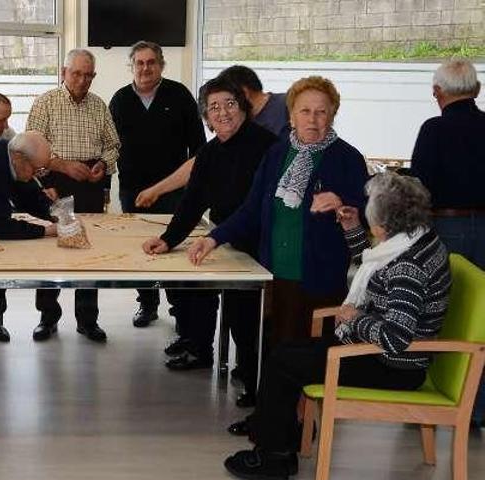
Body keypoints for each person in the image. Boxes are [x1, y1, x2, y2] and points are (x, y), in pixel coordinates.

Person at [222, 172, 450, 480]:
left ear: (385, 222)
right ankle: (281, 444)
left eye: (371, 210)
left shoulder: (407, 267)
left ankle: (273, 459)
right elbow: (372, 267)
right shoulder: (414, 240)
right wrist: (353, 228)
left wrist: (355, 318)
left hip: (392, 366)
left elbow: (396, 338)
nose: (368, 213)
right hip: (381, 354)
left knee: (283, 361)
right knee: (287, 353)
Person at [188, 75, 369, 350]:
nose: (313, 119)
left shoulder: (348, 158)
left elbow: (367, 214)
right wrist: (213, 238)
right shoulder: (276, 153)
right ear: (292, 115)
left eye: (322, 112)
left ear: (332, 115)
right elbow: (251, 209)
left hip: (319, 279)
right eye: (305, 111)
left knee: (310, 356)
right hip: (273, 273)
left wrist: (342, 201)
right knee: (272, 350)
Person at [142, 76, 277, 404]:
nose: (223, 113)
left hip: (259, 244)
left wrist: (218, 237)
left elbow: (257, 206)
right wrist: (169, 238)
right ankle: (205, 351)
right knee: (209, 294)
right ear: (205, 116)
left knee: (247, 317)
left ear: (243, 106)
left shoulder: (267, 145)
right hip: (226, 239)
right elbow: (193, 199)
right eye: (213, 107)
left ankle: (253, 382)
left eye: (229, 104)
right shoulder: (211, 151)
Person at [408, 59, 485, 424]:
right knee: (478, 317)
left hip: (446, 227)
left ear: (437, 92)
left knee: (434, 312)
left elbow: (420, 187)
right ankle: (477, 407)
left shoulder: (434, 130)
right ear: (478, 91)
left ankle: (422, 403)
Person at [26, 48, 120, 343]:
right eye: (76, 73)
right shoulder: (45, 103)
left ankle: (87, 319)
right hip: (55, 182)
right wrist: (60, 167)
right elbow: (29, 148)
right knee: (50, 248)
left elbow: (113, 144)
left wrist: (103, 163)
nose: (82, 80)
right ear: (64, 72)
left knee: (89, 251)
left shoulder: (99, 105)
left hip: (90, 184)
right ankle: (47, 317)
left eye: (88, 74)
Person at [109, 40, 206, 328]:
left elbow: (198, 147)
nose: (145, 68)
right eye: (139, 62)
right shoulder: (120, 99)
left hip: (174, 190)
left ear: (161, 65)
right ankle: (147, 304)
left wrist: (194, 188)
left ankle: (179, 309)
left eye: (151, 62)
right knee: (141, 248)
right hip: (133, 192)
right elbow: (111, 146)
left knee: (173, 247)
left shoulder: (179, 95)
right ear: (132, 66)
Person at [134, 65, 290, 211]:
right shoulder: (237, 125)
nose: (223, 111)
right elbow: (201, 161)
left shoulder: (287, 105)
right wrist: (157, 190)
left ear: (243, 92)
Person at [0, 131, 57, 342]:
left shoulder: (11, 155)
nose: (38, 174)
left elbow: (27, 191)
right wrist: (45, 231)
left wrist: (51, 217)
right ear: (19, 158)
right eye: (37, 168)